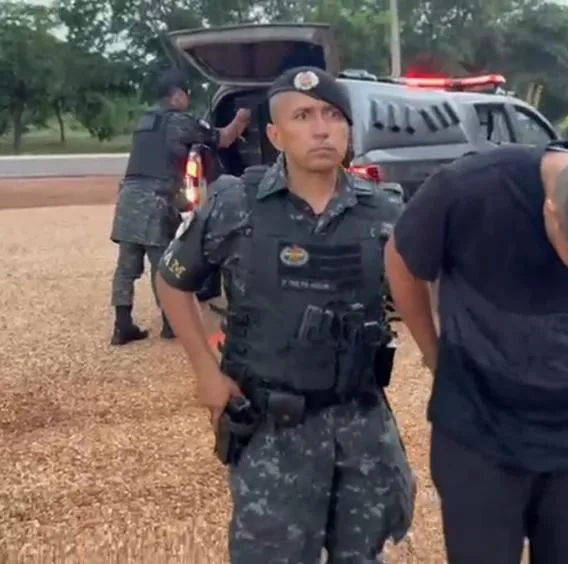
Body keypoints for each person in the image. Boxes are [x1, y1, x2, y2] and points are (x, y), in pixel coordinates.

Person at [155, 66, 414, 563]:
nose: (321, 129)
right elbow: (171, 279)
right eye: (303, 116)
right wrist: (206, 375)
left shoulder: (382, 212)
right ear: (275, 135)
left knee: (362, 553)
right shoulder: (236, 204)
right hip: (273, 430)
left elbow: (422, 290)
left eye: (332, 116)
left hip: (362, 425)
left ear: (348, 130)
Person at [385, 142, 568, 563]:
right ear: (551, 212)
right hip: (480, 437)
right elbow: (402, 259)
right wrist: (434, 353)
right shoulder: (468, 189)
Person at [109, 68, 250, 345]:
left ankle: (122, 325)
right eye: (187, 94)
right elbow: (224, 138)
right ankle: (170, 324)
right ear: (177, 95)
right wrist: (242, 118)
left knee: (126, 267)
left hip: (128, 197)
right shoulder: (178, 122)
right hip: (155, 201)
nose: (188, 99)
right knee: (162, 265)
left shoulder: (145, 120)